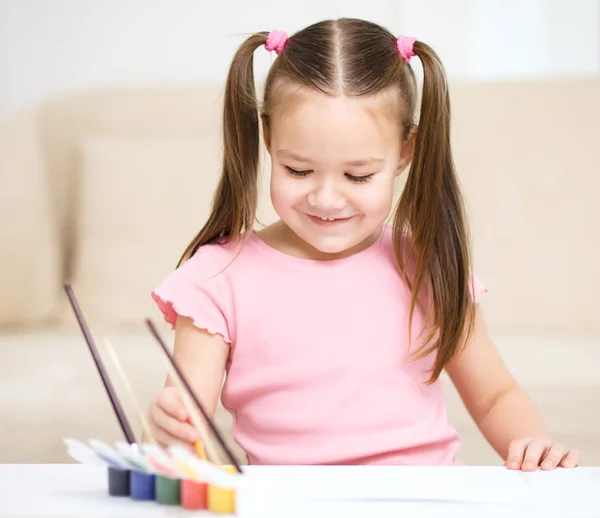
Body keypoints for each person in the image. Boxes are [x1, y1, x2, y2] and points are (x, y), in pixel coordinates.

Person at [147, 18, 579, 471]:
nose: (326, 198)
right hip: (292, 515)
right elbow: (182, 432)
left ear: (406, 151)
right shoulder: (217, 278)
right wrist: (165, 434)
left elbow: (494, 396)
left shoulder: (428, 265)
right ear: (269, 139)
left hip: (424, 509)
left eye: (358, 176)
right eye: (298, 170)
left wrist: (534, 445)